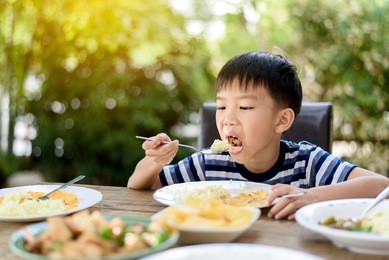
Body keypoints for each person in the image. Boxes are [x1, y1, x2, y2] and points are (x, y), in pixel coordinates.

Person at [127, 51, 389, 220]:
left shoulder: (306, 162)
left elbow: (382, 186)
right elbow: (140, 186)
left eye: (245, 107)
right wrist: (155, 160)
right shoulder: (208, 162)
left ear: (281, 120)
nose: (228, 118)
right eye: (221, 106)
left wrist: (310, 196)